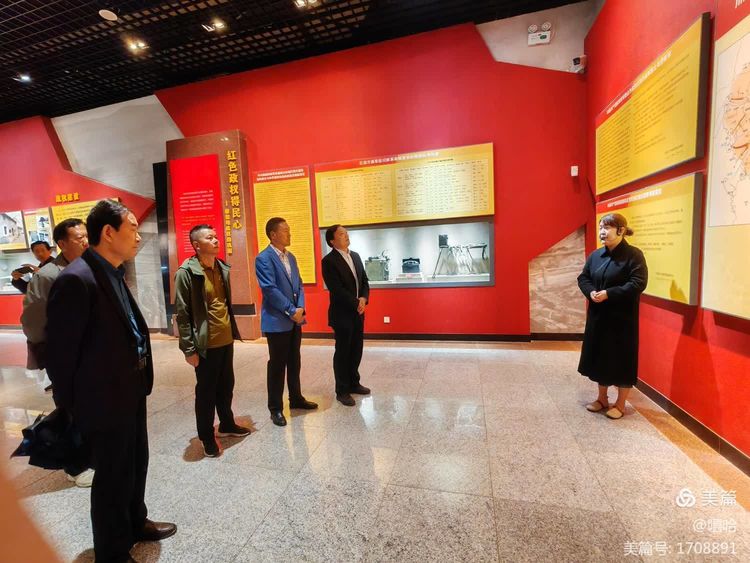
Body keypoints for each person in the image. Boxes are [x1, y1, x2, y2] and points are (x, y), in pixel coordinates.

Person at [46, 200, 176, 563]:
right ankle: (112, 550)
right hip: (101, 399)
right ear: (108, 232)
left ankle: (135, 521)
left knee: (136, 461)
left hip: (130, 388)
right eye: (132, 228)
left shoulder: (112, 272)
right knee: (112, 475)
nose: (138, 236)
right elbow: (60, 356)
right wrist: (74, 409)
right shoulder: (77, 279)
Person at [21, 218, 93, 486]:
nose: (85, 241)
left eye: (87, 235)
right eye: (79, 237)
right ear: (62, 243)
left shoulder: (92, 267)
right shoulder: (48, 276)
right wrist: (50, 352)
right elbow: (33, 320)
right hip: (64, 355)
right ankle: (76, 466)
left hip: (91, 354)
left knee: (91, 406)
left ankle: (92, 454)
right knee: (69, 408)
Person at [174, 224, 250, 458]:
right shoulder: (186, 272)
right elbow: (183, 314)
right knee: (206, 392)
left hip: (225, 340)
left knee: (226, 386)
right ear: (196, 245)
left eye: (216, 236)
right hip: (205, 344)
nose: (216, 240)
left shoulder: (220, 267)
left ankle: (226, 423)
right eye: (210, 238)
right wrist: (189, 349)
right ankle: (206, 436)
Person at [577, 213, 648, 420]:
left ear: (621, 230)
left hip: (622, 319)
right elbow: (583, 277)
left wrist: (610, 293)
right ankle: (602, 399)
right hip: (599, 316)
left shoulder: (634, 255)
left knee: (621, 358)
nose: (602, 231)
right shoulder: (596, 255)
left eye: (607, 227)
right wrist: (590, 292)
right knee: (600, 357)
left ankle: (620, 403)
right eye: (601, 227)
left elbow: (638, 283)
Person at [255, 217, 318, 426]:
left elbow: (299, 285)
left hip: (294, 319)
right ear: (273, 235)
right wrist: (291, 310)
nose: (289, 233)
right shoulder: (263, 258)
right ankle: (275, 408)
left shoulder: (291, 257)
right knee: (277, 365)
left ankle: (296, 398)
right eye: (285, 230)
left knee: (294, 361)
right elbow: (269, 289)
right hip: (277, 321)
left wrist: (300, 309)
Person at [321, 224, 371, 406]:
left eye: (346, 233)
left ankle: (354, 383)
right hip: (342, 314)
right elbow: (336, 289)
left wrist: (364, 298)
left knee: (357, 349)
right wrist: (356, 303)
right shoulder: (329, 261)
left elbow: (364, 281)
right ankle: (342, 390)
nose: (346, 236)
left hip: (358, 312)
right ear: (332, 241)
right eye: (341, 234)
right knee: (343, 351)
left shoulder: (355, 256)